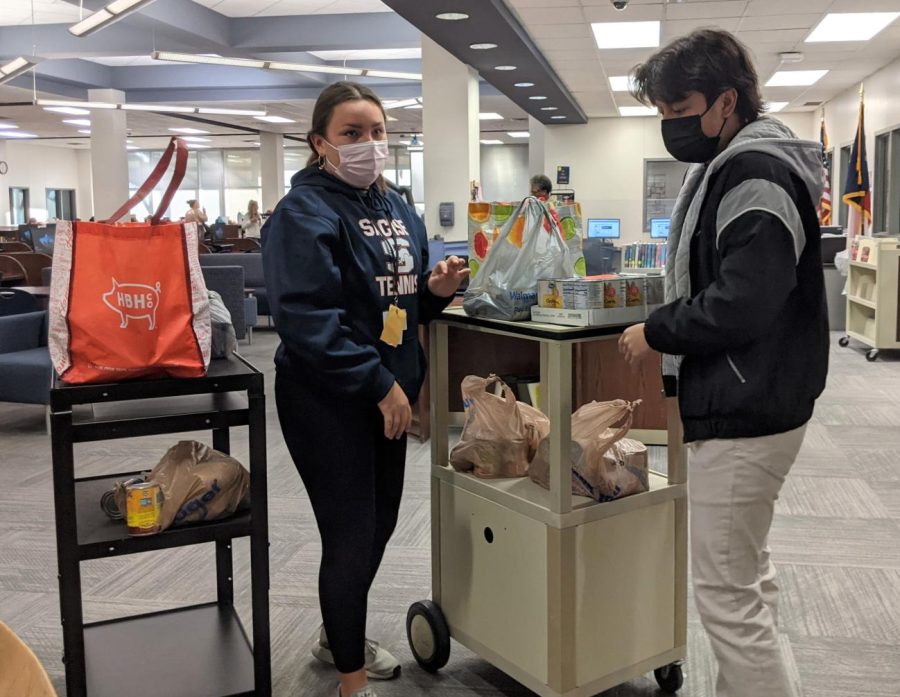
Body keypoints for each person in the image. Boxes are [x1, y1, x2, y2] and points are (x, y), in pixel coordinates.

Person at [618, 29, 828, 697]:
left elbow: (744, 301)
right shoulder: (738, 162)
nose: (671, 129)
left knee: (727, 595)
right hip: (761, 396)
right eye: (662, 115)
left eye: (680, 113)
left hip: (747, 406)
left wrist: (658, 330)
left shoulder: (752, 171)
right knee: (747, 576)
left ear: (725, 102)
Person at [262, 81, 468, 697]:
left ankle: (336, 636)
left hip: (388, 396)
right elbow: (306, 320)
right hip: (328, 399)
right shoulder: (302, 213)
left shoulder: (398, 206)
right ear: (319, 143)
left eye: (377, 132)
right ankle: (351, 679)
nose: (368, 145)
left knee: (379, 529)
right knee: (350, 535)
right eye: (352, 134)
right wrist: (378, 384)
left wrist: (431, 291)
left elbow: (397, 304)